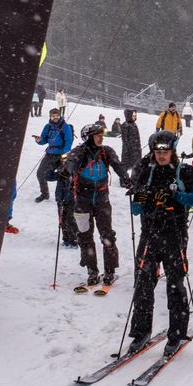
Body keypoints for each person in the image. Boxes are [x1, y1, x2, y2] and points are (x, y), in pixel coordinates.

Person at [126, 131, 193, 354]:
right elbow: (136, 208)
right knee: (143, 283)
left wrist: (176, 196)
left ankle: (176, 333)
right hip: (149, 235)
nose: (161, 155)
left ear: (173, 151)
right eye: (158, 151)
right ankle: (141, 332)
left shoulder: (185, 171)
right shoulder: (146, 171)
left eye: (165, 151)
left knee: (175, 284)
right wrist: (144, 196)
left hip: (174, 235)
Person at [63, 122, 128, 286]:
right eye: (97, 136)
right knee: (85, 236)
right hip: (82, 201)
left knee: (107, 236)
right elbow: (71, 162)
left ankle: (110, 271)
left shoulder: (107, 151)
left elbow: (118, 165)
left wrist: (126, 179)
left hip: (102, 200)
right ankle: (92, 271)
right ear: (88, 137)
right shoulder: (79, 151)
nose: (101, 138)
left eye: (101, 135)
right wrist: (67, 171)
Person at [33, 108, 73, 201]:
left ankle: (65, 196)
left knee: (64, 174)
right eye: (53, 116)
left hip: (61, 155)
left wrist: (66, 153)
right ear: (50, 117)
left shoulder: (65, 126)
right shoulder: (48, 126)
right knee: (40, 174)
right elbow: (44, 140)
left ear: (60, 116)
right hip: (50, 154)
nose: (55, 117)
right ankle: (45, 194)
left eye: (57, 115)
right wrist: (39, 140)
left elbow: (68, 141)